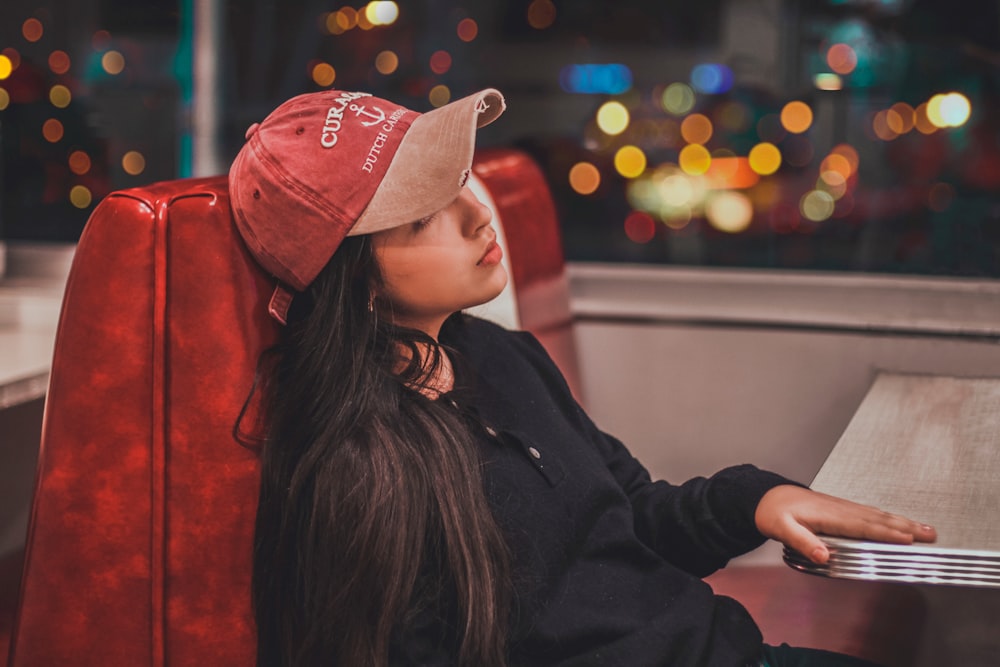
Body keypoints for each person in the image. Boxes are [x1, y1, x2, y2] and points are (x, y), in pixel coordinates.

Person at [228, 87, 937, 667]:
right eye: (423, 217)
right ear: (354, 281)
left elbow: (631, 519)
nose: (479, 215)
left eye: (462, 182)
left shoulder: (505, 356)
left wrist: (753, 499)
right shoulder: (357, 468)